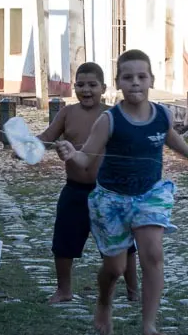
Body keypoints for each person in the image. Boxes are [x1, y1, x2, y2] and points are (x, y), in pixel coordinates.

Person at [56, 50, 188, 335]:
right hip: (111, 199)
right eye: (128, 78)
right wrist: (69, 153)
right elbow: (85, 158)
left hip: (149, 195)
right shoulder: (109, 120)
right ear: (117, 83)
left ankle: (149, 326)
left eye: (142, 77)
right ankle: (104, 302)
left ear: (151, 80)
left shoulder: (162, 115)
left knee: (153, 253)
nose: (135, 83)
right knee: (115, 268)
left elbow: (173, 139)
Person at [36, 62, 139, 304]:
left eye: (92, 85)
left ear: (103, 88)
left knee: (123, 244)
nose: (86, 90)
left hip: (109, 193)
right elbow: (47, 137)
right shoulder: (67, 113)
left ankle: (134, 291)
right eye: (81, 85)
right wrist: (26, 145)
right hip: (75, 190)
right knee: (63, 242)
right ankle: (64, 290)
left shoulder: (114, 115)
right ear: (74, 88)